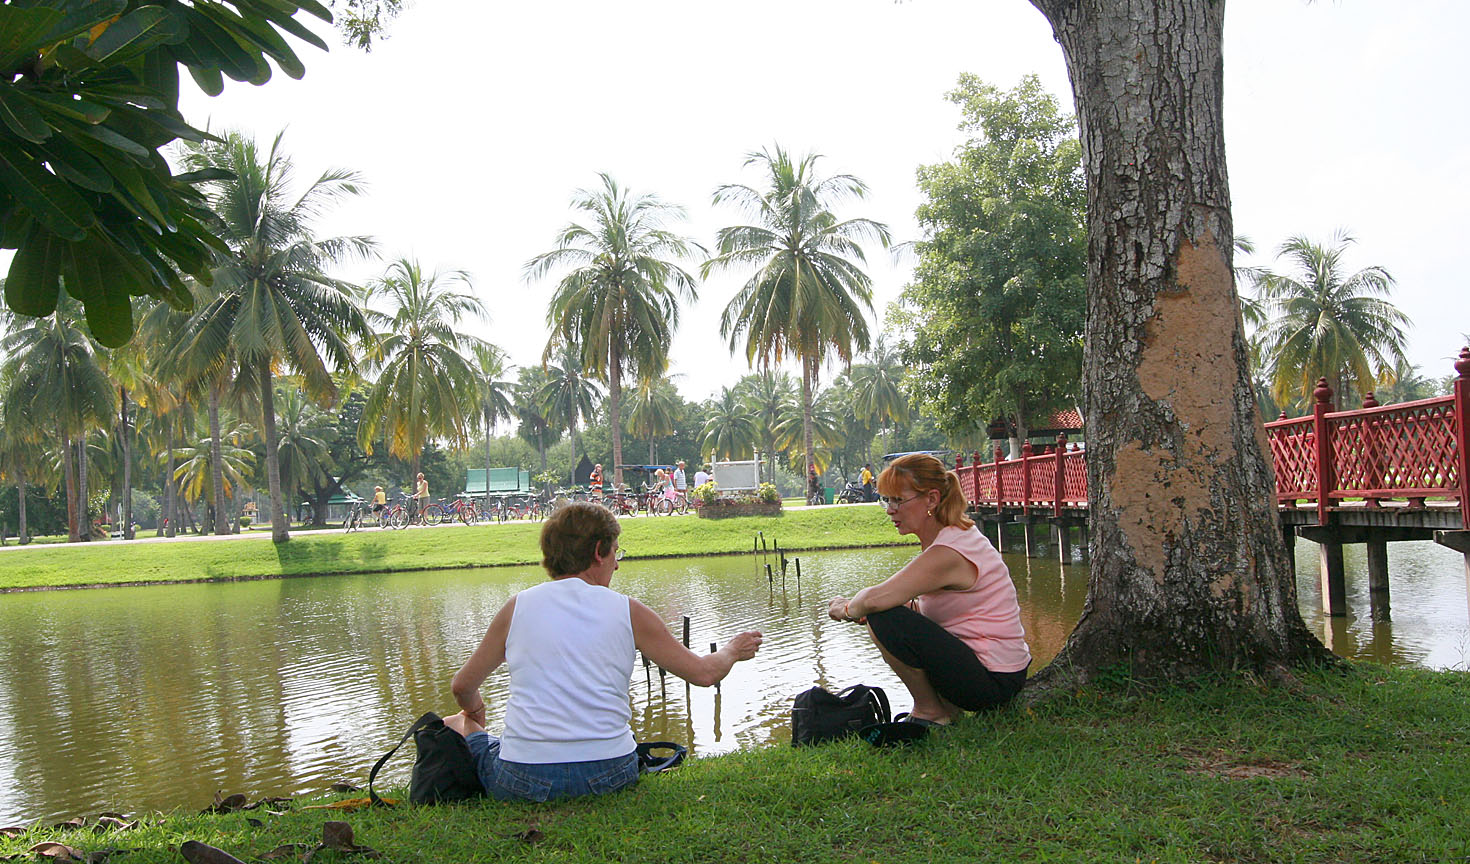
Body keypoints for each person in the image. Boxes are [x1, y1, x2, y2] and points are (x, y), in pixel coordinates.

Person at [444, 503, 762, 801]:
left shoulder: (516, 608)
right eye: (615, 552)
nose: (617, 563)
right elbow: (704, 673)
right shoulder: (629, 612)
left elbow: (462, 686)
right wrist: (733, 650)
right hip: (611, 772)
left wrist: (474, 712)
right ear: (598, 552)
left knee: (460, 724)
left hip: (523, 778)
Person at [826, 453, 1030, 725]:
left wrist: (846, 608)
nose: (890, 510)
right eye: (887, 500)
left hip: (994, 681)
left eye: (899, 500)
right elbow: (944, 610)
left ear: (932, 499)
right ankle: (943, 708)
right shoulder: (955, 537)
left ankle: (931, 712)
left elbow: (875, 599)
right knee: (888, 612)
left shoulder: (949, 551)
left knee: (883, 616)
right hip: (997, 674)